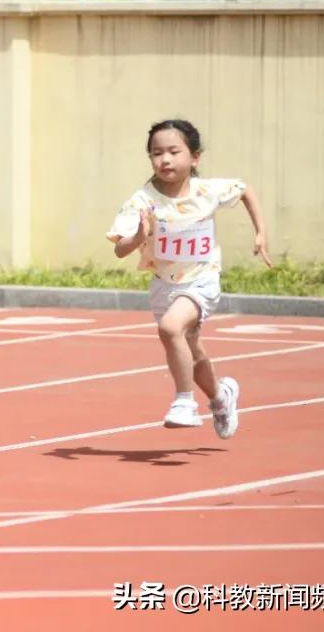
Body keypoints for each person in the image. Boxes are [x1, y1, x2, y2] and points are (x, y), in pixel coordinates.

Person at [107, 119, 271, 439]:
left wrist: (261, 233)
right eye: (157, 153)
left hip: (202, 279)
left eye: (173, 151)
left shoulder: (206, 191)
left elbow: (245, 190)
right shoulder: (142, 201)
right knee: (192, 353)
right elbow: (119, 250)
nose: (165, 160)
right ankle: (221, 399)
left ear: (194, 157)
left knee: (169, 328)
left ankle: (184, 402)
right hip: (165, 285)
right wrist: (140, 234)